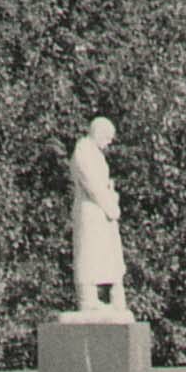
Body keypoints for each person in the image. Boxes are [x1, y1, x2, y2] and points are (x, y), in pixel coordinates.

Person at [69, 117, 133, 320]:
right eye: (108, 137)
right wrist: (111, 207)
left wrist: (112, 197)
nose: (109, 142)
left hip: (101, 213)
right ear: (99, 132)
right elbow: (93, 185)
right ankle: (87, 299)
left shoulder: (95, 153)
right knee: (88, 254)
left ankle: (100, 298)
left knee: (103, 257)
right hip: (91, 211)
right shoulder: (83, 151)